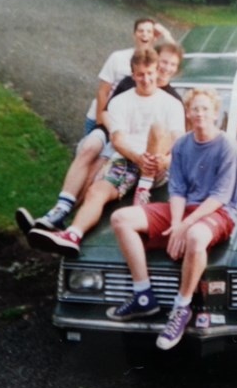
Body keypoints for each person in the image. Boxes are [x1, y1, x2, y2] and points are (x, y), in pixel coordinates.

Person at [105, 88, 237, 351]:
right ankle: (143, 294)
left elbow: (220, 196)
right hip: (184, 209)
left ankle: (182, 308)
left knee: (195, 237)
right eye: (195, 109)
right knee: (121, 218)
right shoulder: (181, 144)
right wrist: (176, 223)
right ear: (188, 113)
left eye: (205, 109)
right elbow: (177, 190)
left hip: (217, 212)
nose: (200, 113)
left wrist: (185, 227)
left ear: (215, 113)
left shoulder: (227, 145)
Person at [15, 19, 175, 234]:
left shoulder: (170, 97)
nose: (156, 74)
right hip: (110, 126)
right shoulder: (128, 75)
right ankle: (59, 211)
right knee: (88, 149)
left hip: (127, 143)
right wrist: (110, 128)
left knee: (96, 175)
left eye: (168, 67)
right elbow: (107, 105)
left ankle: (63, 222)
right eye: (141, 31)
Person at [27, 48, 185, 257]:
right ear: (132, 74)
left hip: (158, 164)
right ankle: (73, 235)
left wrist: (164, 161)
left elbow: (179, 142)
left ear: (157, 72)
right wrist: (137, 158)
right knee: (96, 191)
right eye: (140, 74)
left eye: (150, 73)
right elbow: (118, 140)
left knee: (157, 128)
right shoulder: (121, 101)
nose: (146, 79)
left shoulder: (172, 103)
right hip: (129, 159)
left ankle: (143, 188)